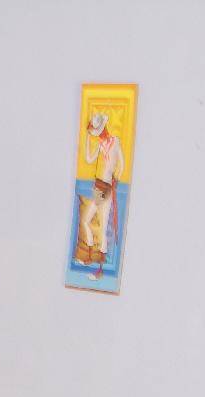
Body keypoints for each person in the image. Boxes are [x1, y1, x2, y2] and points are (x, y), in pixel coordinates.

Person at [75, 111, 124, 279]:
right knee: (96, 223)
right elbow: (89, 159)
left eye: (98, 131)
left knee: (90, 222)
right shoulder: (102, 144)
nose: (100, 133)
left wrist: (116, 178)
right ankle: (95, 264)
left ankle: (94, 263)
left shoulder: (115, 141)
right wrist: (88, 139)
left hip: (104, 186)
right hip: (101, 186)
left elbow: (121, 164)